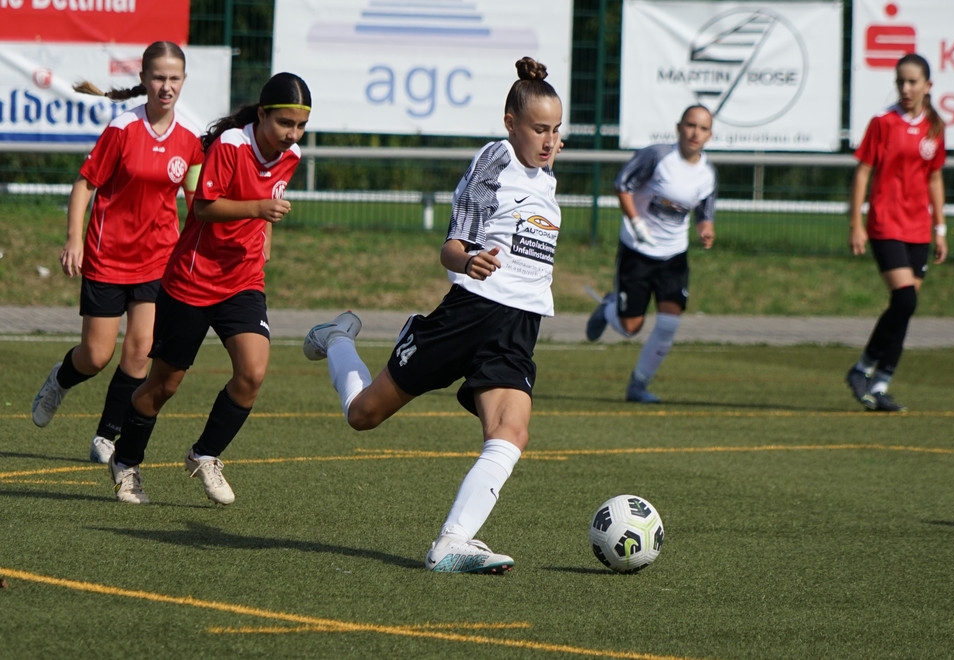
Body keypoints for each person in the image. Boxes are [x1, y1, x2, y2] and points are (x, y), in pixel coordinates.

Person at [303, 57, 562, 574]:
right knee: (363, 415)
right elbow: (451, 247)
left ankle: (452, 542)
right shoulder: (495, 160)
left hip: (518, 328)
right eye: (539, 129)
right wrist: (469, 261)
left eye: (557, 130)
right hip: (468, 317)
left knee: (511, 433)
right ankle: (337, 339)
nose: (550, 141)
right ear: (510, 123)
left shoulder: (545, 177)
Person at [107, 72, 311, 504]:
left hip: (243, 280)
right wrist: (259, 209)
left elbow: (267, 202)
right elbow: (203, 207)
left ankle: (205, 454)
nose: (292, 134)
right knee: (163, 387)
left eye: (300, 126)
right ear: (262, 115)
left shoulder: (290, 155)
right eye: (284, 123)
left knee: (252, 373)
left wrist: (264, 236)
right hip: (192, 281)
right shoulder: (231, 145)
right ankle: (125, 461)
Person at [30, 41, 204, 464]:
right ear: (144, 79)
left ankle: (107, 435)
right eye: (158, 77)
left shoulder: (189, 139)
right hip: (107, 256)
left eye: (174, 78)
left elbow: (199, 203)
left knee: (141, 351)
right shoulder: (122, 129)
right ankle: (60, 380)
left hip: (158, 260)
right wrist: (74, 238)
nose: (166, 86)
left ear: (184, 81)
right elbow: (84, 184)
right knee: (95, 356)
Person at [585, 104, 717, 403]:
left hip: (674, 256)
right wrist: (636, 223)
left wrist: (706, 230)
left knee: (669, 324)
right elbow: (622, 185)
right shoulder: (657, 156)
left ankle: (639, 385)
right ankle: (608, 307)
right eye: (690, 125)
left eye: (703, 128)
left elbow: (705, 213)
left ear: (709, 135)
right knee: (631, 328)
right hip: (638, 250)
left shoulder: (707, 174)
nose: (695, 133)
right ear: (679, 127)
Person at [845, 53, 947, 412]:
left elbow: (934, 178)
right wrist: (856, 222)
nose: (905, 88)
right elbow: (863, 172)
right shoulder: (883, 122)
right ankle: (862, 369)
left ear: (927, 86)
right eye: (900, 81)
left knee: (904, 309)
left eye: (912, 82)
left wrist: (941, 229)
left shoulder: (934, 127)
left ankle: (881, 383)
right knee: (905, 300)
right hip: (886, 222)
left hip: (919, 228)